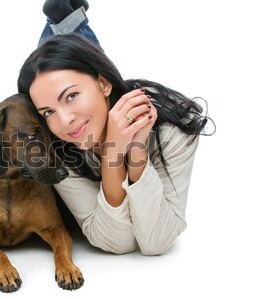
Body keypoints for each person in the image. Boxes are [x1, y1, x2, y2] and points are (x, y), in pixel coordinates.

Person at [17, 0, 214, 255]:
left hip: (117, 95)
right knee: (57, 71)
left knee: (70, 61)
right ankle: (66, 22)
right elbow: (114, 242)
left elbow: (157, 241)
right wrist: (113, 154)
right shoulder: (53, 146)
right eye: (48, 112)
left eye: (71, 96)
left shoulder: (173, 128)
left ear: (104, 83)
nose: (64, 121)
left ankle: (66, 22)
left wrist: (136, 152)